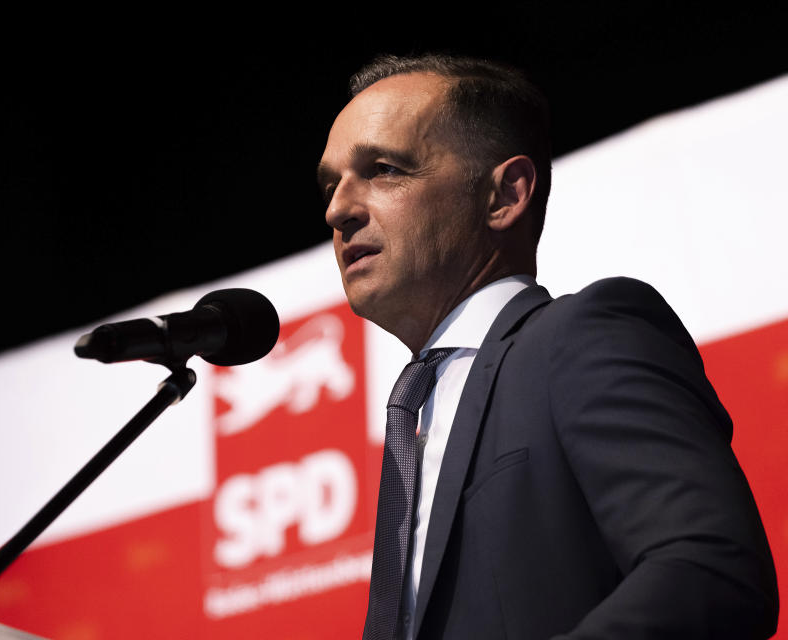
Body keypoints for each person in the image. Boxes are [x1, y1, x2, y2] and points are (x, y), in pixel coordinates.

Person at [317, 54, 778, 639]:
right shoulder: (418, 415)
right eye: (331, 184)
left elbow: (710, 570)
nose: (337, 209)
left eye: (383, 169)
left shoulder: (583, 334)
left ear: (505, 196)